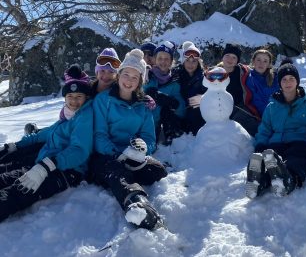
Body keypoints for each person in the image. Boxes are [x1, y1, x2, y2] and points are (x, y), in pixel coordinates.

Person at [0, 64, 93, 222]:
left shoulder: (84, 117)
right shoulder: (67, 116)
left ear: (86, 97)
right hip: (44, 163)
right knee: (5, 177)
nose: (74, 101)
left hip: (66, 172)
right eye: (70, 96)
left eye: (79, 97)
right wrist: (16, 145)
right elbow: (46, 133)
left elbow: (79, 151)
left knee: (13, 194)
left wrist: (46, 166)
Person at [90, 49, 167, 231]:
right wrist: (118, 155)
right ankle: (136, 203)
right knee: (116, 171)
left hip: (133, 157)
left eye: (135, 77)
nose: (129, 81)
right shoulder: (103, 100)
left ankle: (124, 177)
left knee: (158, 171)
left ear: (141, 81)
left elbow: (149, 138)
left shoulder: (143, 105)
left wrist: (142, 149)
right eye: (126, 74)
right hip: (106, 156)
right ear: (119, 76)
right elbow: (99, 135)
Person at [245, 59, 306, 199]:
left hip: (299, 141)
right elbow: (265, 128)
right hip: (276, 142)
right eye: (284, 79)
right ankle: (260, 182)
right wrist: (260, 145)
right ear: (279, 83)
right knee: (268, 157)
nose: (288, 82)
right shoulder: (272, 106)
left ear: (297, 81)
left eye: (291, 79)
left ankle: (290, 180)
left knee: (296, 158)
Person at [22, 47, 122, 136]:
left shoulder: (118, 93)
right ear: (97, 72)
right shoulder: (88, 88)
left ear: (116, 75)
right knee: (62, 127)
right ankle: (38, 134)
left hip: (98, 132)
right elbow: (72, 101)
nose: (106, 76)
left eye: (111, 72)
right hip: (78, 124)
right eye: (102, 71)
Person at [144, 41, 186, 145]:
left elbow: (181, 109)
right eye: (160, 58)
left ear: (171, 61)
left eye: (167, 59)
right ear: (154, 60)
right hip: (146, 121)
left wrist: (172, 102)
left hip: (164, 124)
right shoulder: (147, 76)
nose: (163, 62)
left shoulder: (174, 82)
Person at [218, 43, 260, 136]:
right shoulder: (214, 73)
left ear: (237, 61)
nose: (230, 59)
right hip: (220, 107)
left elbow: (259, 72)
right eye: (227, 55)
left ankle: (261, 140)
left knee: (245, 120)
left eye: (234, 57)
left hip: (240, 105)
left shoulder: (244, 71)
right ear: (222, 57)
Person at [172, 41, 207, 135]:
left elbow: (213, 94)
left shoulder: (204, 77)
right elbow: (162, 73)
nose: (190, 64)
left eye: (194, 61)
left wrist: (203, 98)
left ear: (198, 62)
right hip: (179, 112)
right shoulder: (176, 74)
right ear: (183, 61)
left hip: (196, 116)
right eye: (187, 60)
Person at [245, 49, 279, 118]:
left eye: (265, 61)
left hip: (280, 112)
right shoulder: (250, 79)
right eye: (258, 60)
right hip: (265, 116)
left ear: (269, 64)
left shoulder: (275, 77)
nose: (261, 63)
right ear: (253, 61)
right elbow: (256, 101)